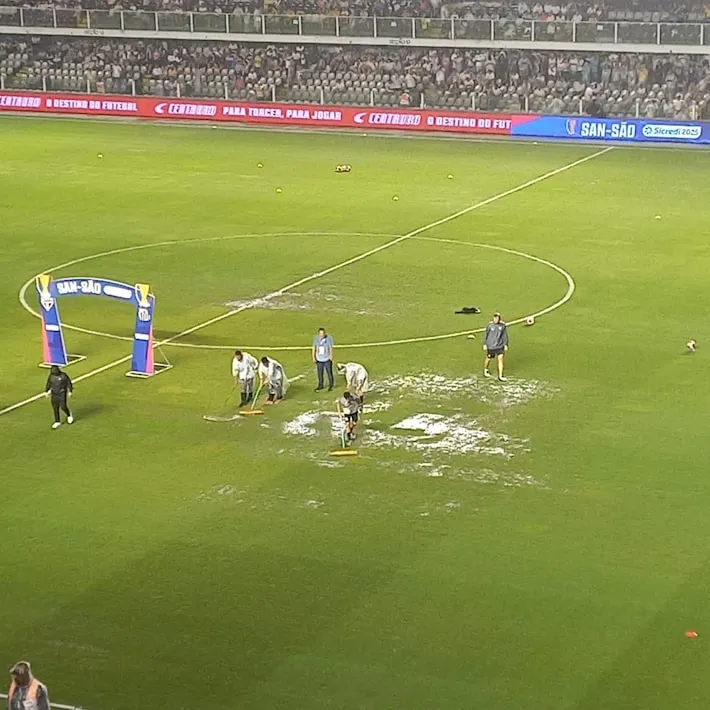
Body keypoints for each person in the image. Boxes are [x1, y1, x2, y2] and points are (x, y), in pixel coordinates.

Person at [44, 364, 73, 429]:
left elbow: (69, 383)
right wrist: (46, 391)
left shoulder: (63, 376)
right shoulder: (51, 376)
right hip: (54, 393)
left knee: (63, 406)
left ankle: (69, 415)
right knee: (55, 407)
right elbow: (49, 383)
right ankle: (57, 421)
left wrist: (70, 391)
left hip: (62, 393)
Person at [483, 312, 509, 381]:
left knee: (500, 359)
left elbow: (504, 335)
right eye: (495, 318)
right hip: (491, 346)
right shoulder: (489, 325)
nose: (496, 319)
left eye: (497, 318)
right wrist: (485, 344)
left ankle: (500, 376)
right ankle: (486, 369)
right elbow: (486, 334)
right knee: (488, 358)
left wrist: (505, 344)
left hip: (499, 346)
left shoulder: (503, 325)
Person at [312, 327, 334, 392]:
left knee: (329, 373)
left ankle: (331, 385)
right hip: (319, 359)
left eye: (323, 333)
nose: (322, 334)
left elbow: (330, 348)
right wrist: (313, 357)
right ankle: (320, 385)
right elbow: (314, 348)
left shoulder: (329, 338)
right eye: (320, 333)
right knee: (320, 373)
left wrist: (331, 357)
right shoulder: (316, 339)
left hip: (327, 359)